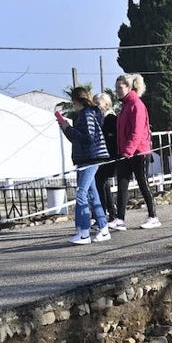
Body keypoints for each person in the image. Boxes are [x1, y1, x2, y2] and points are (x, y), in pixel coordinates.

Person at [54, 87, 110, 245]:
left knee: (81, 193)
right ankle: (103, 228)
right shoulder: (89, 113)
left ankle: (84, 231)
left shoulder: (86, 114)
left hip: (90, 157)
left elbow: (88, 138)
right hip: (88, 157)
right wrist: (67, 128)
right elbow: (79, 137)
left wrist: (67, 128)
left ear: (75, 101)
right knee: (92, 193)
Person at [114, 73, 161, 229]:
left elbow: (137, 131)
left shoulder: (136, 105)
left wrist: (128, 151)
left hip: (139, 153)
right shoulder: (125, 105)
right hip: (126, 153)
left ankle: (153, 216)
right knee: (122, 184)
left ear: (129, 87)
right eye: (116, 88)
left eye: (120, 87)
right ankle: (119, 219)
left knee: (143, 183)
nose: (117, 91)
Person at [94, 92, 121, 228]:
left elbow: (111, 137)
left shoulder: (110, 118)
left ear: (105, 103)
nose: (96, 106)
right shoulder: (99, 118)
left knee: (101, 184)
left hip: (108, 156)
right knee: (103, 185)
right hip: (102, 155)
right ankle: (110, 213)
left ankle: (105, 214)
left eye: (98, 103)